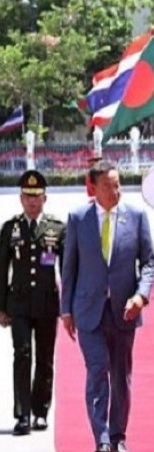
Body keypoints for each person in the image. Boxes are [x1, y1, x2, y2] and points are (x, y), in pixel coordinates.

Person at [60, 160, 154, 452]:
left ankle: (118, 436)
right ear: (93, 188)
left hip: (123, 312)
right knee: (97, 370)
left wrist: (141, 296)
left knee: (120, 375)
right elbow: (69, 266)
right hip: (88, 310)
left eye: (117, 185)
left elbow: (150, 262)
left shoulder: (137, 217)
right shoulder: (78, 218)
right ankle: (101, 438)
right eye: (107, 186)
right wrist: (65, 310)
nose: (115, 191)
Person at [0, 170, 65, 435]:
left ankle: (40, 412)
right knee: (22, 354)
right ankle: (22, 414)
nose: (32, 201)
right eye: (28, 196)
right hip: (19, 304)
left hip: (48, 304)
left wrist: (69, 304)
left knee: (46, 358)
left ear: (45, 198)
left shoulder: (56, 228)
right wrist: (1, 307)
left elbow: (67, 269)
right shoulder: (10, 228)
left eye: (37, 197)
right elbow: (1, 269)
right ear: (21, 198)